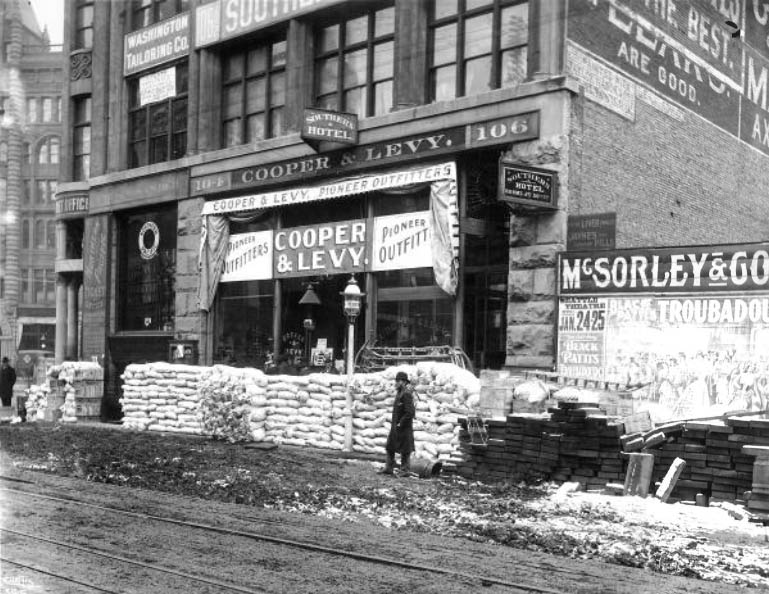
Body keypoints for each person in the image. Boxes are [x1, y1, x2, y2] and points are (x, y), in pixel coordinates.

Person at [381, 371, 415, 477]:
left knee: (405, 449)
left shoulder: (406, 394)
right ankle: (388, 468)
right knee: (390, 446)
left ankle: (405, 470)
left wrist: (401, 423)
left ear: (403, 382)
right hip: (395, 426)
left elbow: (410, 412)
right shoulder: (399, 393)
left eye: (398, 381)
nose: (396, 383)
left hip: (404, 427)